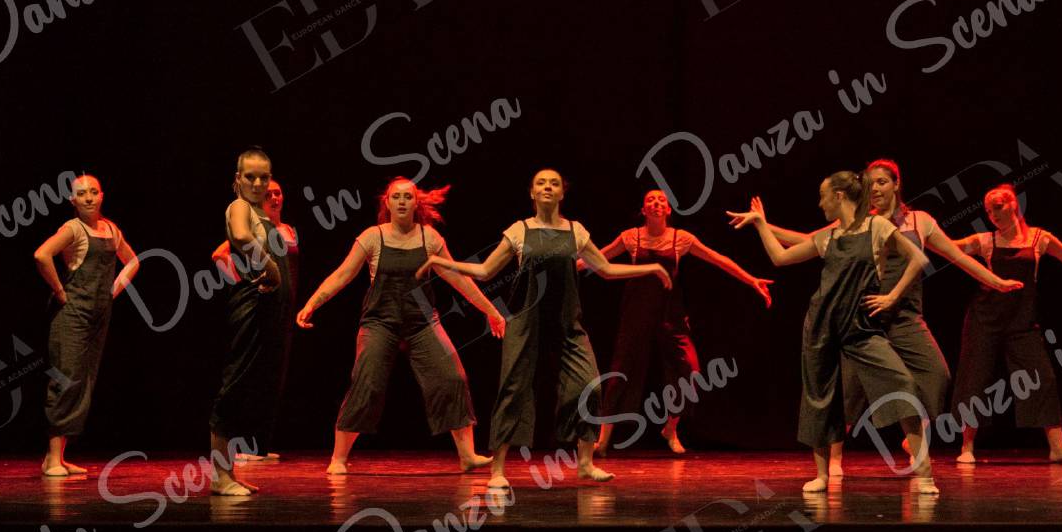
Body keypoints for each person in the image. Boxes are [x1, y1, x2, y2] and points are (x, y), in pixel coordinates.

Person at [746, 157, 1022, 475]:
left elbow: (957, 256)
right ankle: (834, 460)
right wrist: (763, 224)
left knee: (936, 376)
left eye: (882, 182)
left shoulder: (919, 221)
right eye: (870, 183)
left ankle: (912, 436)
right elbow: (810, 241)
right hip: (865, 317)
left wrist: (996, 281)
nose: (875, 188)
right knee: (849, 393)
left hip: (905, 316)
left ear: (896, 184)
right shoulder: (861, 222)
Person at [418, 168, 670, 495]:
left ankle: (585, 463)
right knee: (513, 388)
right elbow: (485, 270)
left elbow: (606, 269)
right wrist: (442, 263)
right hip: (526, 321)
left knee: (589, 385)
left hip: (566, 322)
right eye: (541, 183)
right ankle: (498, 469)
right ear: (532, 193)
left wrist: (651, 267)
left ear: (562, 193)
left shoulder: (575, 231)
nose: (548, 187)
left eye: (554, 183)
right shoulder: (519, 231)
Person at [731, 170, 936, 495]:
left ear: (839, 196)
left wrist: (892, 296)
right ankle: (822, 475)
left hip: (861, 327)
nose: (820, 203)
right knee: (819, 397)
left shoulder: (877, 227)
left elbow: (918, 258)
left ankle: (924, 474)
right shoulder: (828, 235)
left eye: (823, 196)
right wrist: (760, 224)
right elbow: (780, 257)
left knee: (903, 384)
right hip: (822, 324)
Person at [296, 177, 505, 474]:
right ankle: (338, 458)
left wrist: (491, 311)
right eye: (396, 197)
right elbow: (342, 275)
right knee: (367, 382)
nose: (402, 201)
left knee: (451, 377)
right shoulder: (373, 237)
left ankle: (467, 456)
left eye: (408, 196)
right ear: (387, 203)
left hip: (422, 322)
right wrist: (312, 303)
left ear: (416, 202)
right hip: (380, 322)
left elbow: (458, 279)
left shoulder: (429, 238)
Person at [592, 188, 772, 455]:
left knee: (691, 370)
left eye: (661, 200)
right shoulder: (631, 237)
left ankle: (670, 428)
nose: (655, 202)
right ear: (643, 210)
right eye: (650, 200)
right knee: (620, 372)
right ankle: (603, 439)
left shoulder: (680, 238)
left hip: (670, 316)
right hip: (636, 315)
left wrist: (751, 280)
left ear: (668, 210)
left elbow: (718, 259)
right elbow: (597, 258)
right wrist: (565, 265)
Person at [949, 182, 1062, 464]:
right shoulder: (986, 240)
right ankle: (967, 447)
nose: (993, 215)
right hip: (985, 318)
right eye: (989, 211)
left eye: (997, 207)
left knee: (1043, 378)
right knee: (974, 377)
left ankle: (1058, 448)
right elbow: (948, 248)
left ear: (1014, 205)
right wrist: (920, 234)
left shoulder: (1039, 239)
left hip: (1022, 320)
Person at [32, 174, 139, 476]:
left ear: (102, 196)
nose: (89, 197)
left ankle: (58, 458)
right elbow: (41, 255)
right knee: (65, 379)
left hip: (99, 315)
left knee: (83, 381)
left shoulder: (111, 229)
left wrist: (113, 290)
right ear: (73, 200)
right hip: (72, 314)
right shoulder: (73, 228)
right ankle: (53, 458)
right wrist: (59, 291)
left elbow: (133, 261)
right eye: (82, 193)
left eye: (93, 192)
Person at [208, 148, 292, 497]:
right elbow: (241, 237)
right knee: (235, 383)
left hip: (267, 308)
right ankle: (220, 476)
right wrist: (270, 267)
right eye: (250, 177)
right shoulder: (240, 206)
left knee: (249, 387)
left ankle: (228, 472)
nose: (258, 183)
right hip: (250, 304)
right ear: (237, 179)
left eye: (264, 177)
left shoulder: (262, 213)